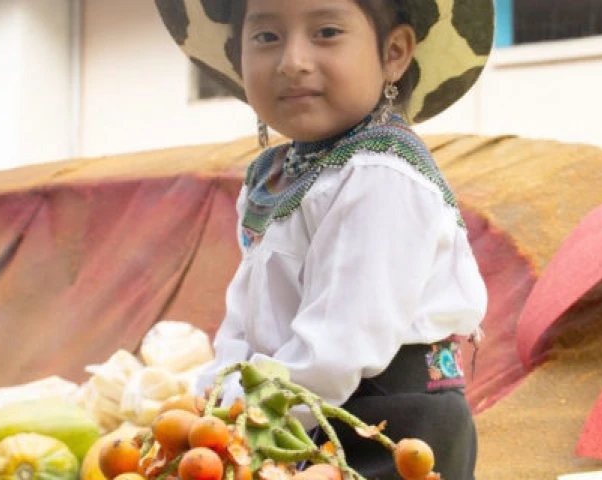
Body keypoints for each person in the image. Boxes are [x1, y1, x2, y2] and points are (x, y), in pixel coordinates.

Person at [155, 1, 494, 479]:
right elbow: (245, 328)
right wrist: (209, 403)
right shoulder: (271, 178)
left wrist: (234, 421)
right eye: (267, 37)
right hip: (298, 412)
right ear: (238, 56)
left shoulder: (381, 171)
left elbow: (341, 343)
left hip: (392, 428)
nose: (293, 61)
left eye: (327, 32)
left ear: (393, 52)